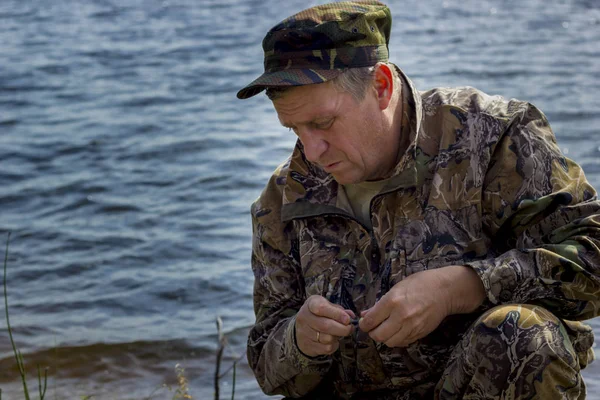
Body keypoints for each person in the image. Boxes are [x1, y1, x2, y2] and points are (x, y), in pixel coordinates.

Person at [237, 1, 600, 398]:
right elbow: (268, 367)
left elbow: (593, 256)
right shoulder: (283, 197)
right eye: (294, 129)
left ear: (381, 87)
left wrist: (461, 287)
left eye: (322, 123)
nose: (312, 151)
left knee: (523, 335)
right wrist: (299, 339)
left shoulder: (493, 139)